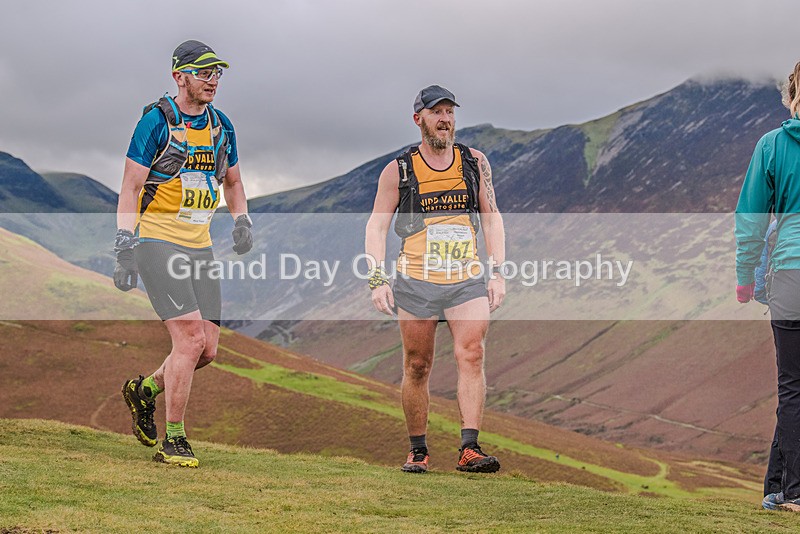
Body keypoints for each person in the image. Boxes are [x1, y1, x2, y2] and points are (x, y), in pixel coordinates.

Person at [115, 40, 253, 467]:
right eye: (204, 72)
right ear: (180, 76)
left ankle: (145, 391)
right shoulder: (155, 123)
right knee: (190, 339)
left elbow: (231, 182)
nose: (213, 80)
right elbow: (131, 187)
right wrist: (124, 246)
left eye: (218, 73)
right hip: (157, 242)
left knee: (206, 350)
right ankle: (174, 440)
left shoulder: (222, 126)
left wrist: (241, 220)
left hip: (200, 246)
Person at [365, 85, 506, 473]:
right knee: (417, 365)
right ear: (419, 120)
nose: (445, 119)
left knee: (472, 353)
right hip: (416, 279)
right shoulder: (399, 170)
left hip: (466, 277)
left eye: (449, 112)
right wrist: (377, 278)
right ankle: (418, 450)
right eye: (436, 112)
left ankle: (470, 447)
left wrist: (497, 272)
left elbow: (492, 218)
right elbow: (376, 226)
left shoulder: (475, 162)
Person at [735, 61, 800, 511]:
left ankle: (786, 490)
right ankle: (782, 488)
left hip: (791, 273)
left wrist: (744, 278)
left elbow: (751, 220)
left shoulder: (773, 145)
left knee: (793, 385)